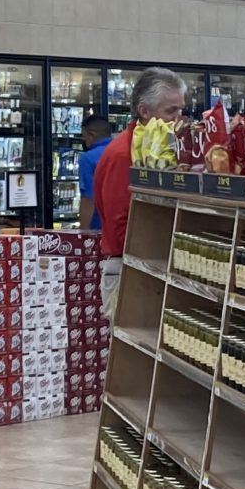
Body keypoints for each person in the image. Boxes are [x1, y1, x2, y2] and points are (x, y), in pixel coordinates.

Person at [94, 66, 187, 313]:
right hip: (130, 270)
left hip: (152, 266)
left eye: (181, 109)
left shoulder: (165, 150)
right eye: (171, 110)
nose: (179, 117)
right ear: (144, 111)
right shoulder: (124, 154)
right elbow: (120, 225)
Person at [74, 114, 115, 232]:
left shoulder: (88, 159)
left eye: (84, 136)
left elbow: (88, 199)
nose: (84, 141)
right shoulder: (123, 152)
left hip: (98, 225)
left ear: (91, 135)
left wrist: (84, 232)